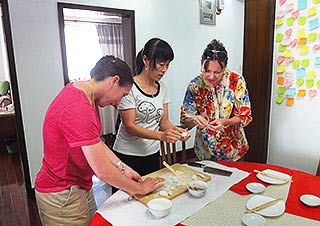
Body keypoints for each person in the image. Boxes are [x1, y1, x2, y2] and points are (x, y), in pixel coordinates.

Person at [34, 55, 164, 226]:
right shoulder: (78, 107)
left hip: (78, 184)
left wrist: (122, 167)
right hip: (62, 193)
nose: (118, 103)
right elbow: (102, 170)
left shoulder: (86, 94)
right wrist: (140, 189)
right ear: (113, 81)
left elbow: (95, 142)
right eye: (122, 94)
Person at [112, 38, 190, 177]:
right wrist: (161, 136)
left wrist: (177, 132)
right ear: (145, 60)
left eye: (167, 65)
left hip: (152, 153)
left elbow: (164, 122)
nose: (164, 70)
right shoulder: (130, 87)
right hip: (128, 154)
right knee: (127, 197)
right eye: (161, 64)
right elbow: (129, 126)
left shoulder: (162, 88)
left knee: (150, 196)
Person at [180, 39, 252, 162]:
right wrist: (194, 119)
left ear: (224, 68)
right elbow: (185, 122)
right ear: (201, 64)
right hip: (205, 150)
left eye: (217, 72)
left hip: (233, 151)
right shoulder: (195, 85)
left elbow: (245, 116)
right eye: (207, 71)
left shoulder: (236, 81)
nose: (211, 77)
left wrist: (226, 122)